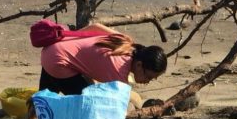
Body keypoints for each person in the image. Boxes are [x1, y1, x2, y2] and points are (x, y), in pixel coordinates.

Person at [38, 23, 167, 95]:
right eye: (149, 77)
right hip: (58, 62)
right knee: (86, 104)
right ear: (139, 65)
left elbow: (95, 26)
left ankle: (33, 117)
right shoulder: (119, 74)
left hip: (53, 46)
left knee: (43, 100)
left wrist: (72, 41)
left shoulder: (126, 41)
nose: (147, 82)